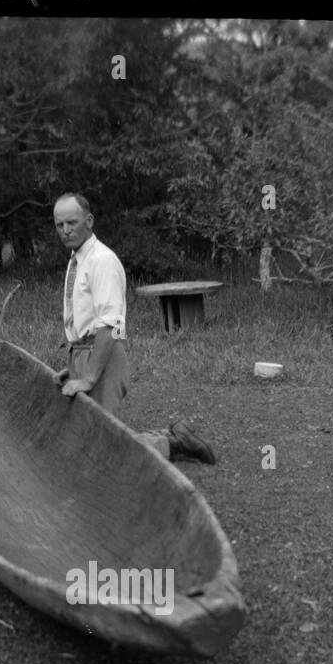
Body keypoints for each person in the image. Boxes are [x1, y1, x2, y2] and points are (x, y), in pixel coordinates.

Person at [53, 194, 215, 464]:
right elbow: (83, 318)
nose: (66, 230)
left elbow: (113, 325)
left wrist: (91, 377)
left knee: (100, 449)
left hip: (104, 355)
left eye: (72, 222)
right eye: (59, 225)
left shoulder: (102, 260)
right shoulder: (77, 258)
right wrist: (75, 365)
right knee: (88, 440)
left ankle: (173, 444)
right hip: (85, 353)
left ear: (89, 221)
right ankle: (171, 436)